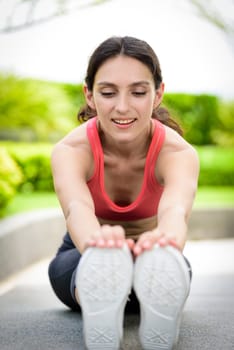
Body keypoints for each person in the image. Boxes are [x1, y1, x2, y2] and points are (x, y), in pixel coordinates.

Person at [48, 36, 199, 350]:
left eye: (139, 92)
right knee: (83, 267)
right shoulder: (71, 150)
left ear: (158, 94)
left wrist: (165, 242)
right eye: (107, 92)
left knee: (173, 266)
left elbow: (175, 212)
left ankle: (151, 287)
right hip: (86, 254)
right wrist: (98, 246)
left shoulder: (178, 153)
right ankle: (96, 292)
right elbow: (77, 208)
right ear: (89, 95)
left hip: (153, 255)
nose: (122, 106)